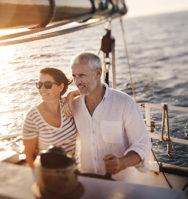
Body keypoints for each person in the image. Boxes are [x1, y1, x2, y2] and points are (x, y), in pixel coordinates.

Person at [63, 52, 151, 182]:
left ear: (98, 73)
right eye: (74, 76)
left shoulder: (125, 103)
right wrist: (69, 95)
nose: (77, 82)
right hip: (87, 182)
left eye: (82, 75)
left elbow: (142, 144)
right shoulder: (73, 105)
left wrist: (122, 163)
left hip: (122, 185)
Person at [23, 67, 77, 167]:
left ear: (60, 87)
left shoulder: (68, 105)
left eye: (47, 85)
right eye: (39, 84)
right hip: (50, 174)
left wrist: (72, 94)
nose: (42, 89)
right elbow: (29, 157)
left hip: (74, 169)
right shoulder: (33, 117)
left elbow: (93, 91)